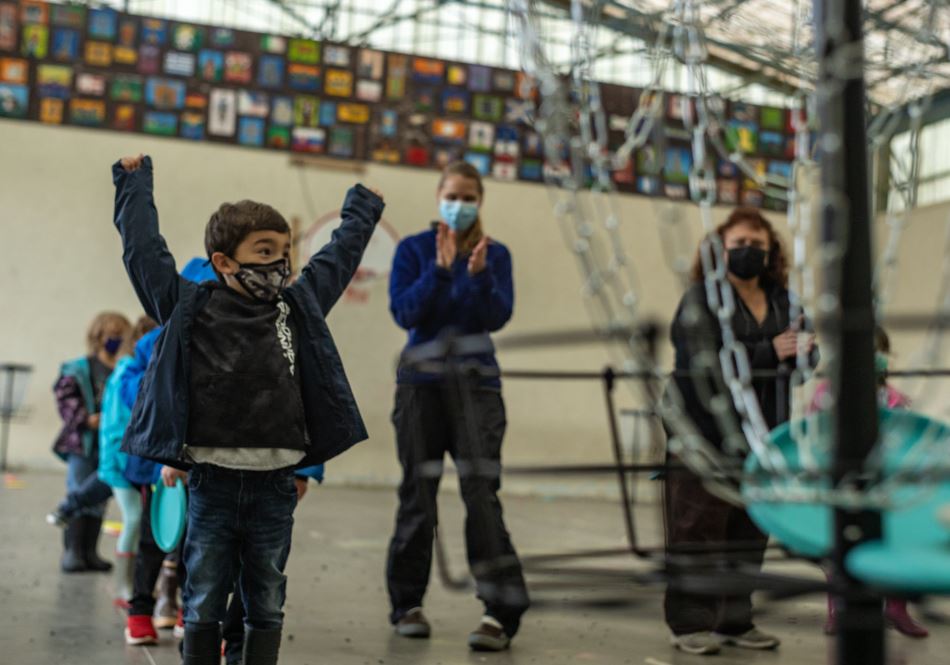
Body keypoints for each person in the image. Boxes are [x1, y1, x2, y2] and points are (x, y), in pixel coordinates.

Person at [112, 154, 383, 665]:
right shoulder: (189, 304)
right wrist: (132, 183)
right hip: (211, 484)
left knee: (266, 599)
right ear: (224, 261)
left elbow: (338, 259)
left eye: (284, 253)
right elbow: (144, 252)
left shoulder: (296, 307)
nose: (279, 265)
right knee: (204, 596)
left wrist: (362, 211)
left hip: (275, 486)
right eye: (264, 251)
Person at [385, 161, 529, 652]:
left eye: (470, 196)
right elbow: (407, 312)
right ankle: (407, 604)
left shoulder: (497, 253)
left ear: (481, 200)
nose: (460, 204)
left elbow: (494, 316)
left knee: (481, 494)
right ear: (438, 195)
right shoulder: (412, 250)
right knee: (417, 496)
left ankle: (499, 612)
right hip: (420, 387)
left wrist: (476, 277)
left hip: (477, 390)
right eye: (453, 194)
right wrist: (440, 272)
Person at [664, 207, 815, 655]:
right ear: (719, 250)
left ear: (771, 254)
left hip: (766, 437)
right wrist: (771, 351)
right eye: (739, 245)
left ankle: (735, 619)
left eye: (758, 246)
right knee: (698, 529)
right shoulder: (700, 299)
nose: (749, 253)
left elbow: (805, 357)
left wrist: (807, 354)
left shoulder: (785, 301)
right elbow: (699, 363)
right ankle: (690, 623)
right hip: (704, 435)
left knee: (750, 531)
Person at [814, 326, 928, 639]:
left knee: (894, 542)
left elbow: (906, 441)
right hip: (844, 481)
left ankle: (896, 609)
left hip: (885, 481)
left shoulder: (893, 398)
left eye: (878, 352)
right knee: (841, 549)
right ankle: (840, 611)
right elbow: (815, 434)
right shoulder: (827, 393)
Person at [52, 310, 131, 572]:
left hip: (109, 445)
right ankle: (72, 552)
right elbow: (65, 399)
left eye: (122, 336)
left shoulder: (123, 369)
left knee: (99, 498)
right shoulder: (79, 368)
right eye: (113, 335)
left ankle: (90, 552)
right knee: (79, 489)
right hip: (83, 443)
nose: (117, 340)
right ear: (98, 337)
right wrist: (86, 419)